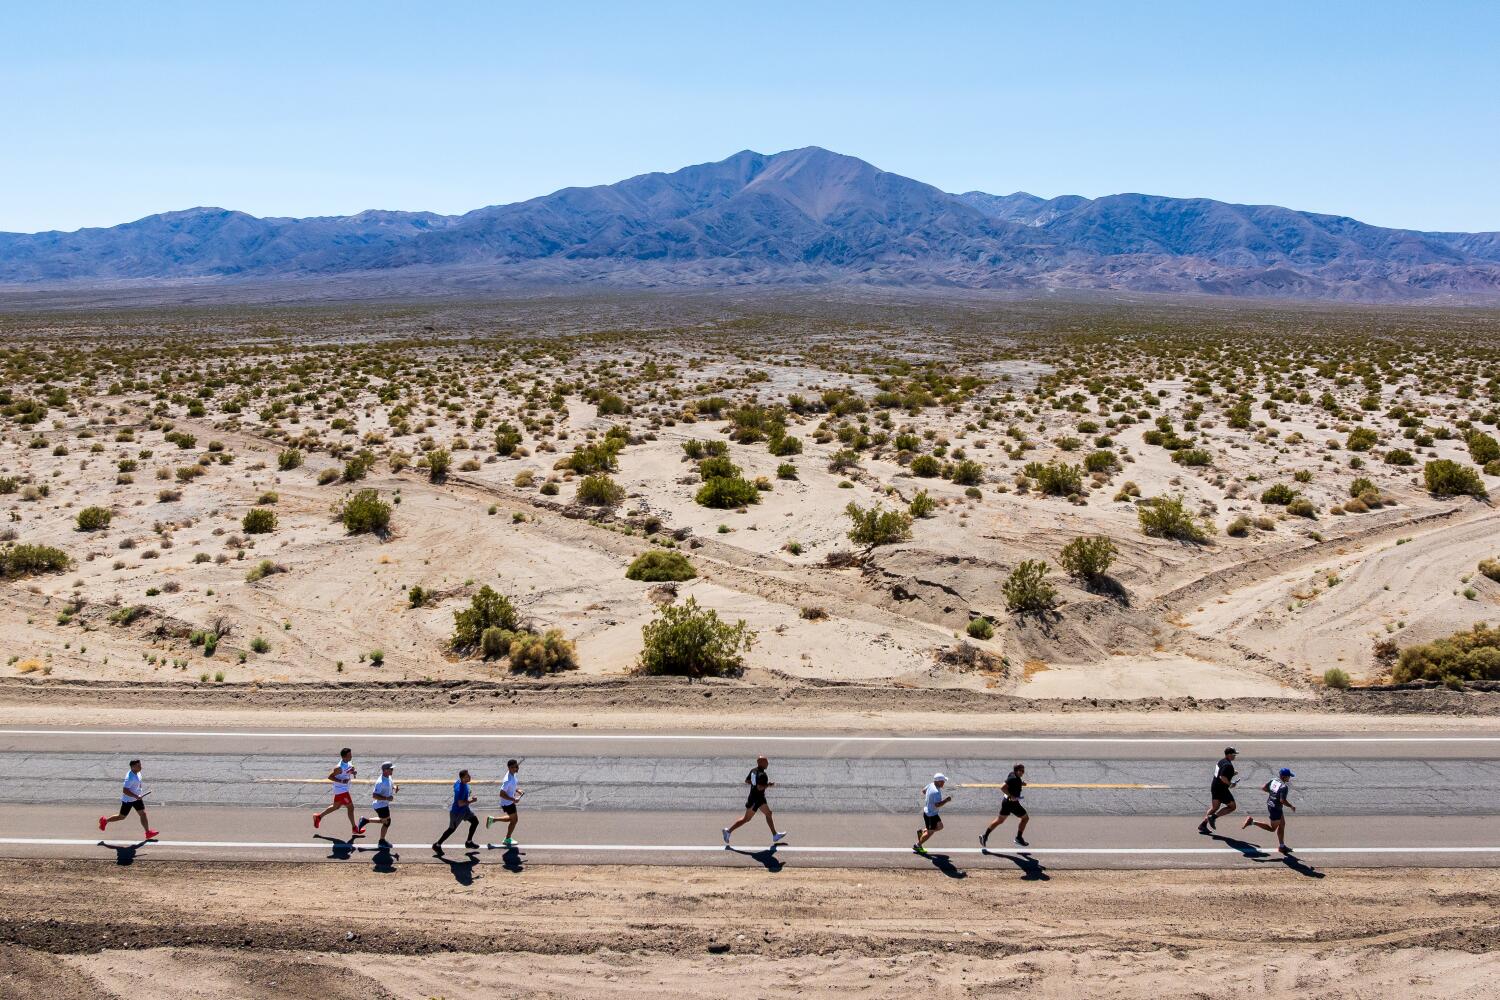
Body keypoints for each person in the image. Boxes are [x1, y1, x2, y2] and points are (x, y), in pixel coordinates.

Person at [722, 755, 787, 847]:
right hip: (756, 799)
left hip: (757, 798)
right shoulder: (762, 775)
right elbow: (760, 787)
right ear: (761, 763)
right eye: (766, 762)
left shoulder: (753, 771)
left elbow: (747, 781)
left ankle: (775, 835)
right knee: (746, 819)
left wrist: (755, 784)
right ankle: (728, 831)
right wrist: (768, 785)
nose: (767, 763)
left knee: (768, 813)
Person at [1242, 767, 1297, 854]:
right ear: (1284, 777)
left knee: (1282, 824)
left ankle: (1282, 846)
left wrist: (1273, 794)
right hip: (1275, 808)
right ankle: (1252, 822)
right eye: (1288, 776)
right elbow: (1282, 800)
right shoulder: (1284, 787)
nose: (1289, 778)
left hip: (1271, 804)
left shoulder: (1274, 780)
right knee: (1272, 829)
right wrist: (1291, 806)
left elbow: (1264, 788)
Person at [99, 758, 158, 840]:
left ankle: (148, 832)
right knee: (121, 817)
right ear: (133, 766)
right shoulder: (130, 778)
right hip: (128, 800)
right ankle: (105, 821)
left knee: (143, 814)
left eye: (140, 765)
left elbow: (138, 783)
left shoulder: (138, 773)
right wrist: (136, 796)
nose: (141, 767)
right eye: (138, 765)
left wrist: (139, 792)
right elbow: (125, 790)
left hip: (137, 798)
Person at [313, 747, 359, 838]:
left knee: (336, 807)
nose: (351, 756)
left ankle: (318, 817)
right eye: (349, 755)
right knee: (351, 807)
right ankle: (354, 828)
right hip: (341, 790)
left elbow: (348, 770)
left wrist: (353, 772)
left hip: (343, 789)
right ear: (344, 757)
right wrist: (342, 782)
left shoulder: (348, 762)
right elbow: (330, 777)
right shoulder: (339, 767)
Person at [980, 764, 1029, 848]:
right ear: (1016, 770)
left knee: (1000, 820)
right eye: (1021, 771)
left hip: (1006, 802)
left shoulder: (1012, 774)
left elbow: (1012, 784)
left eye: (1023, 771)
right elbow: (1002, 787)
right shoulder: (1013, 778)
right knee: (1025, 818)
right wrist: (1011, 796)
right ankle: (1018, 838)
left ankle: (985, 836)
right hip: (1012, 803)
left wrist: (1021, 783)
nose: (1023, 773)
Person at [434, 768, 479, 852]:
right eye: (467, 776)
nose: (469, 777)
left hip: (465, 810)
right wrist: (472, 800)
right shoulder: (461, 789)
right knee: (451, 829)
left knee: (475, 821)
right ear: (463, 778)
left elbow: (455, 786)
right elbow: (460, 803)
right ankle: (437, 845)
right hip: (457, 813)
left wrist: (468, 793)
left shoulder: (459, 782)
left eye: (468, 775)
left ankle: (469, 842)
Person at [1198, 747, 1239, 834]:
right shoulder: (1228, 765)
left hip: (1215, 786)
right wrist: (1230, 784)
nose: (1235, 756)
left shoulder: (1221, 761)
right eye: (1234, 754)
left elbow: (1221, 772)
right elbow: (1222, 777)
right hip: (1221, 789)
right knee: (1232, 806)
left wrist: (1232, 772)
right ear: (1228, 754)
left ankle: (1203, 825)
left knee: (1215, 807)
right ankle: (1213, 817)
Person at [357, 761, 399, 845]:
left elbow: (391, 783)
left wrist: (394, 787)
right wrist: (387, 798)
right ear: (385, 770)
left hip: (383, 804)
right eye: (391, 769)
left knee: (385, 821)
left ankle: (365, 820)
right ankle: (381, 841)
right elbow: (374, 795)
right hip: (381, 806)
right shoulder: (380, 782)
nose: (392, 770)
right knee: (387, 822)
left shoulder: (388, 777)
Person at [485, 758, 525, 846]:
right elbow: (501, 793)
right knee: (514, 820)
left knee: (512, 819)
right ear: (510, 768)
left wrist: (517, 790)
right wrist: (514, 799)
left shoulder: (512, 774)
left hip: (509, 802)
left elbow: (512, 786)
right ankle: (507, 839)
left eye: (517, 766)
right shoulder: (508, 780)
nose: (517, 768)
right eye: (515, 767)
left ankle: (493, 819)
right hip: (508, 803)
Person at [913, 773, 950, 854]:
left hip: (931, 812)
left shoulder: (931, 784)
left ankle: (922, 832)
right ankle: (918, 845)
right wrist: (946, 800)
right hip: (931, 815)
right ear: (939, 781)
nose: (944, 783)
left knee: (940, 826)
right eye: (943, 781)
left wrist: (929, 798)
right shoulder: (936, 792)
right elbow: (937, 805)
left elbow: (923, 791)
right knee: (930, 832)